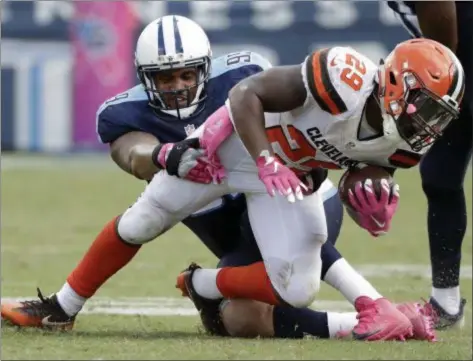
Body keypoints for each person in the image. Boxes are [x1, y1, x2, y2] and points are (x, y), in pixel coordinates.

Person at [2, 31, 454, 341]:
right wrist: (262, 158)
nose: (431, 123)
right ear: (398, 84)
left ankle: (200, 282)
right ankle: (60, 307)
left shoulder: (408, 142)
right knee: (145, 218)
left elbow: (363, 166)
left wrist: (368, 198)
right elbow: (244, 96)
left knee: (297, 287)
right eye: (428, 108)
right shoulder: (344, 75)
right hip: (233, 147)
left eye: (439, 113)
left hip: (286, 174)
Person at [387, 0, 472, 329]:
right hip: (460, 58)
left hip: (458, 57)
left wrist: (440, 74)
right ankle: (445, 301)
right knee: (440, 176)